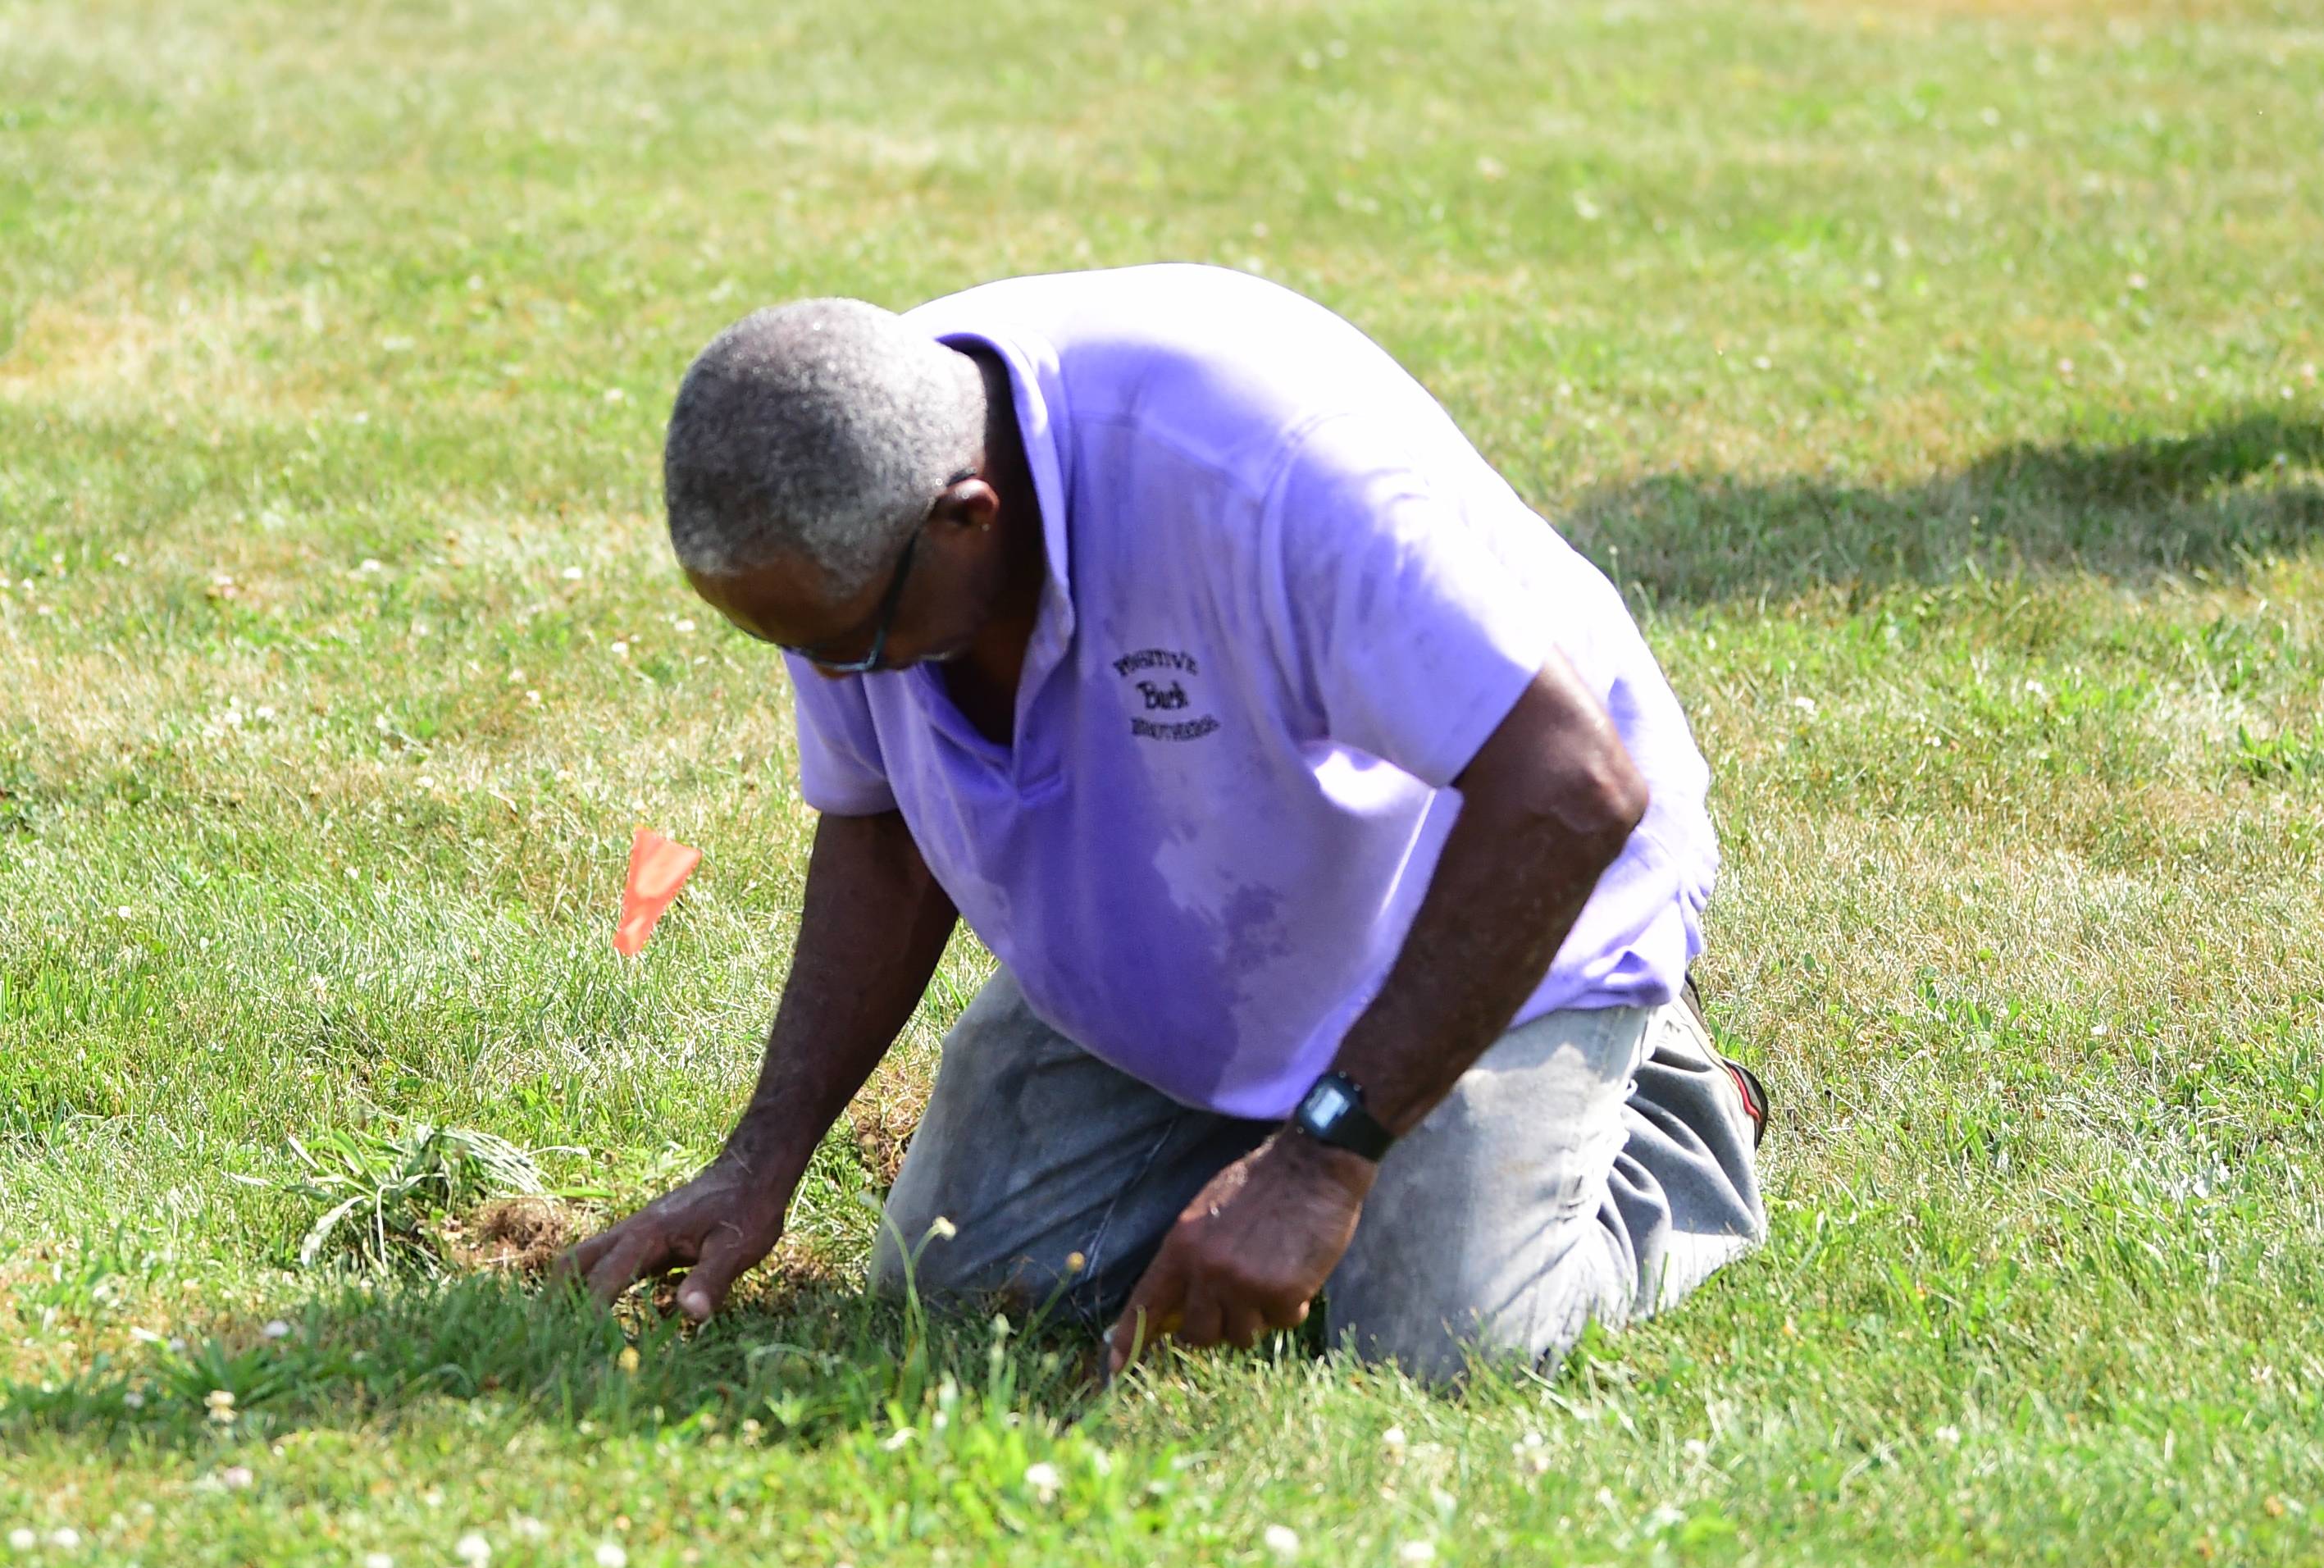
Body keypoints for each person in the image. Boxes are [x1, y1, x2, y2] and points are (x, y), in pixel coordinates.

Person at [557, 263, 1766, 1381]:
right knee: (962, 1281)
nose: (829, 680)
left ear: (968, 515)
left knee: (1430, 1345)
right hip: (1210, 914)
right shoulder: (849, 495)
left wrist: (1319, 1161)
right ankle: (1284, 1112)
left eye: (847, 646)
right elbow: (880, 826)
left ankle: (1676, 1108)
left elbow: (1569, 788)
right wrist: (760, 1157)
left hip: (1490, 899)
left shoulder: (1270, 473)